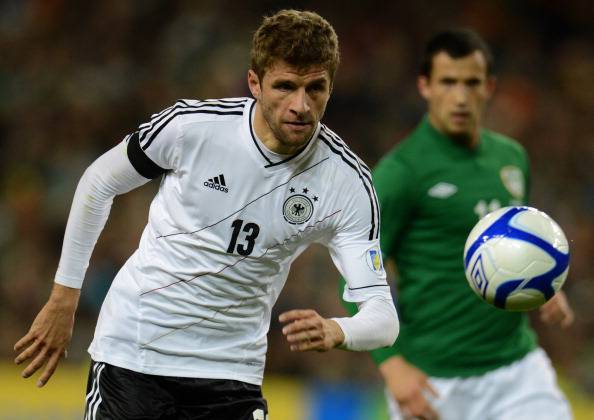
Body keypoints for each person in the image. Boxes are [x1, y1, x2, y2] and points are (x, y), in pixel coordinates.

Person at [14, 10, 399, 419]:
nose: (301, 105)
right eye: (285, 86)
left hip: (230, 375)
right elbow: (99, 182)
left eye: (315, 88)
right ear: (254, 83)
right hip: (135, 354)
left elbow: (383, 318)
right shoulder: (191, 128)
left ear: (331, 87)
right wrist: (64, 297)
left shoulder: (347, 183)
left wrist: (337, 329)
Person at [340, 29, 574, 420]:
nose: (461, 97)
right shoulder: (401, 173)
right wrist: (391, 365)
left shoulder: (511, 158)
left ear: (489, 87)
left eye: (471, 83)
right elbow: (354, 273)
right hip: (433, 381)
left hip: (518, 371)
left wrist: (544, 285)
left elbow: (521, 244)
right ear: (425, 86)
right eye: (448, 82)